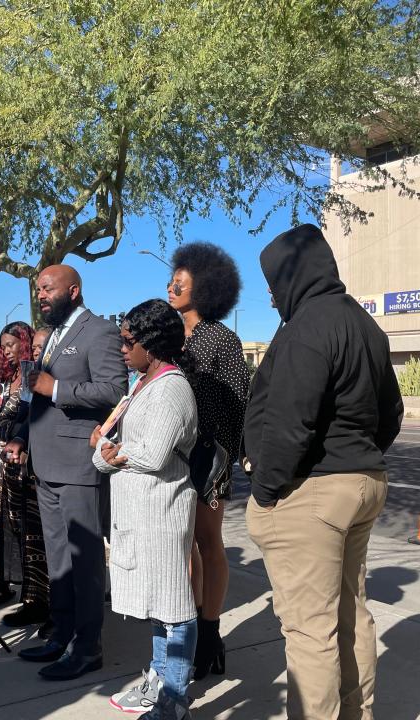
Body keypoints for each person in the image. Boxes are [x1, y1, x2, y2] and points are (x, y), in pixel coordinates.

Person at [243, 224, 403, 720]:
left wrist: (265, 491)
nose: (271, 297)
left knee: (311, 633)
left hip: (312, 494)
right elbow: (391, 412)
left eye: (273, 283)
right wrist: (359, 456)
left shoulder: (307, 327)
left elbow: (290, 422)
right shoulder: (365, 325)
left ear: (293, 274)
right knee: (352, 618)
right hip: (361, 482)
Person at [5, 265, 126, 681]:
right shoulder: (52, 335)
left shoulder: (100, 332)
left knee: (84, 559)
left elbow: (114, 390)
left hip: (78, 465)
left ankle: (88, 646)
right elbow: (34, 395)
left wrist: (55, 389)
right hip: (45, 462)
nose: (40, 295)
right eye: (38, 289)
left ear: (73, 291)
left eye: (47, 288)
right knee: (58, 558)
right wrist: (20, 435)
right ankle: (62, 633)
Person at [94, 300, 198, 720]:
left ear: (151, 344)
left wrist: (108, 451)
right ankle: (158, 681)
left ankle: (174, 700)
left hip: (162, 513)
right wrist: (107, 453)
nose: (122, 348)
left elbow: (152, 454)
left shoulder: (173, 388)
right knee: (157, 607)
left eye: (128, 341)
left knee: (175, 610)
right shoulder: (139, 385)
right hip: (139, 513)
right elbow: (106, 444)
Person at [166, 243, 248, 678]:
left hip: (208, 456)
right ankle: (194, 625)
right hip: (176, 456)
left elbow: (238, 402)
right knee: (187, 545)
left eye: (181, 281)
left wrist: (227, 458)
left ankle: (210, 632)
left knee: (207, 541)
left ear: (207, 286)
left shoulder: (223, 339)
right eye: (171, 280)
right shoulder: (176, 338)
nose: (172, 286)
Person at [0, 321, 50, 628]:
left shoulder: (34, 377)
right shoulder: (5, 379)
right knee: (7, 525)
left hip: (27, 466)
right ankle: (3, 584)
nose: (7, 351)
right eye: (3, 346)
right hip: (2, 464)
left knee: (30, 530)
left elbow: (36, 418)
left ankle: (35, 596)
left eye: (12, 344)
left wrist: (20, 440)